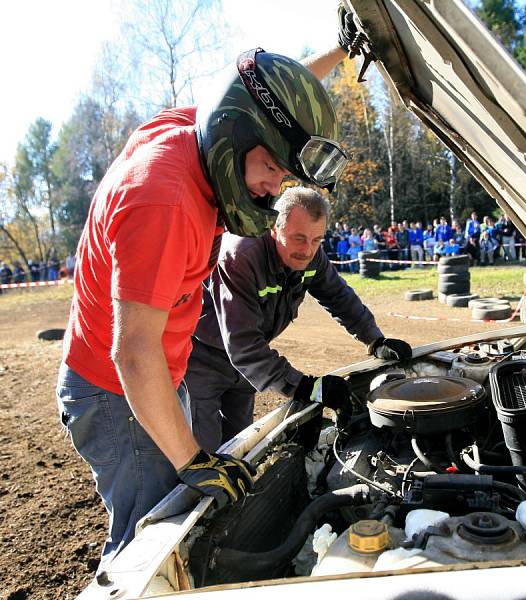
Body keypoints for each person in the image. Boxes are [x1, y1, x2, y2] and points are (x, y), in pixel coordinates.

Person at [55, 35, 356, 567]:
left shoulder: (203, 131)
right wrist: (193, 461)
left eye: (285, 172)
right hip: (117, 391)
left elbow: (267, 97)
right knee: (148, 543)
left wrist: (342, 50)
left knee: (173, 516)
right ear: (236, 135)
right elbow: (133, 353)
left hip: (155, 377)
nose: (273, 186)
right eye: (271, 168)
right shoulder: (165, 201)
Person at [186, 187, 412, 453]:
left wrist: (374, 339)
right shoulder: (241, 256)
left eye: (317, 240)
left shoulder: (311, 256)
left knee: (239, 446)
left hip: (245, 368)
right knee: (205, 453)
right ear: (274, 228)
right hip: (202, 360)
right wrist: (305, 386)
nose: (307, 250)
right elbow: (243, 345)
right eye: (299, 238)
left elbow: (338, 295)